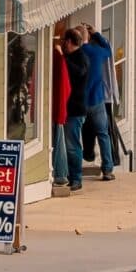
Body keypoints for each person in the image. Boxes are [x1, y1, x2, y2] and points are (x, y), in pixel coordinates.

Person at [75, 27, 117, 181]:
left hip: (79, 102)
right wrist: (96, 33)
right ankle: (107, 169)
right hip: (97, 100)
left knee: (75, 136)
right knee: (103, 135)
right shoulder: (97, 52)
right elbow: (108, 49)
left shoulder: (76, 54)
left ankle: (75, 171)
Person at [52, 30, 83, 193]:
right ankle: (70, 175)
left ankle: (76, 178)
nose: (63, 44)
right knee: (68, 144)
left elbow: (79, 72)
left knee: (72, 145)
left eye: (65, 41)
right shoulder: (74, 57)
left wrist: (62, 58)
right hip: (70, 109)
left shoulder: (81, 57)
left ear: (70, 42)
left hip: (76, 110)